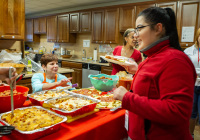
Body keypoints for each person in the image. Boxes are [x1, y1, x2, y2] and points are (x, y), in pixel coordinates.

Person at [113, 7, 196, 140]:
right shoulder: (154, 55)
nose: (135, 35)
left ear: (158, 28)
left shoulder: (175, 60)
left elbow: (177, 111)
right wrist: (138, 69)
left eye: (139, 28)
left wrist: (127, 98)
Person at [184, 28, 200, 139]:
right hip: (192, 85)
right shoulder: (189, 51)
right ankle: (191, 135)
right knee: (192, 112)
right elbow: (185, 67)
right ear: (197, 37)